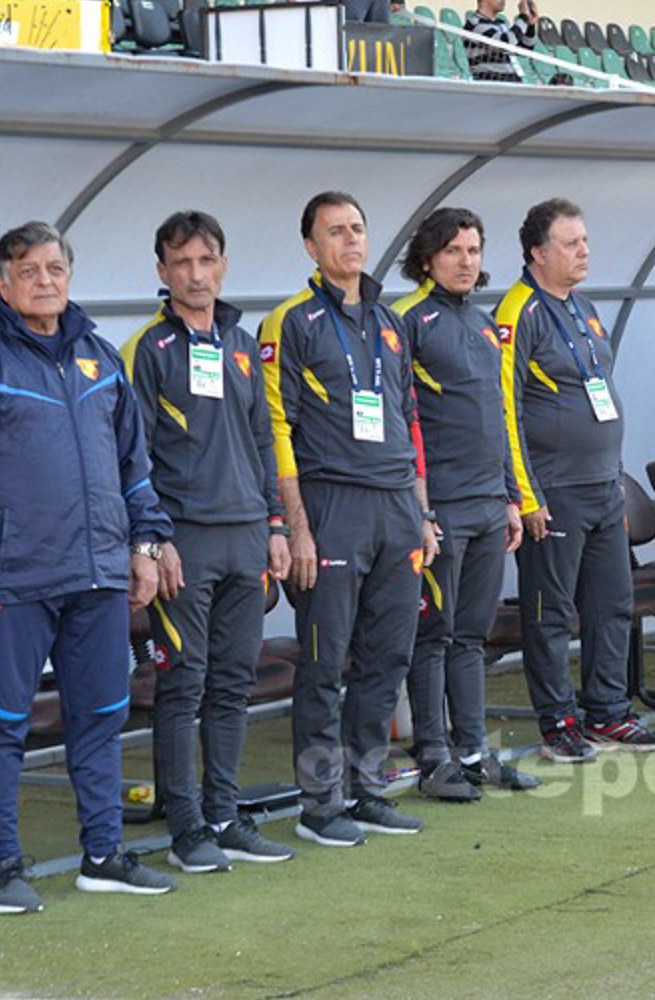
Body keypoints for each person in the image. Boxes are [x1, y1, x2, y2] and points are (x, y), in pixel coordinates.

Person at [0, 221, 176, 914]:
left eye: (54, 268)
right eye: (27, 270)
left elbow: (134, 467)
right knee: (3, 720)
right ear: (1, 284)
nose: (43, 281)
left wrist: (145, 547)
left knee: (103, 714)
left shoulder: (100, 358)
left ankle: (104, 855)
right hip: (13, 579)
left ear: (70, 276)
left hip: (98, 575)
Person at [260, 191, 439, 847]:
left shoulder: (389, 321)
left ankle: (367, 790)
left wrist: (421, 512)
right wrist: (296, 525)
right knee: (323, 661)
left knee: (387, 657)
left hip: (395, 507)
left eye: (357, 228)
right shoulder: (291, 321)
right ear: (311, 246)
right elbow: (276, 426)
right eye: (335, 231)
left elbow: (409, 419)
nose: (351, 240)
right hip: (331, 504)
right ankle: (319, 806)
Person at [122, 212, 296, 873]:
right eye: (182, 262)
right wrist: (152, 540)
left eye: (206, 260)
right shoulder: (146, 350)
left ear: (223, 266)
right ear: (162, 271)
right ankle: (187, 829)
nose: (196, 274)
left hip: (247, 538)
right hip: (184, 545)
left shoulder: (242, 344)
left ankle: (224, 815)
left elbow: (263, 440)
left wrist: (275, 526)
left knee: (232, 683)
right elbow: (130, 456)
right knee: (184, 684)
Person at [497, 198, 655, 760]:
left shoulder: (583, 306)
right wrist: (525, 495)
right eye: (571, 243)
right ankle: (558, 722)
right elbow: (505, 409)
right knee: (551, 613)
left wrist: (614, 477)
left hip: (602, 487)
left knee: (611, 605)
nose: (584, 251)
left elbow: (600, 393)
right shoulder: (518, 311)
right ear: (538, 252)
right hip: (555, 491)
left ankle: (608, 713)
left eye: (585, 241)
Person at [391, 208, 538, 799]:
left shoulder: (482, 323)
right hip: (441, 508)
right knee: (434, 634)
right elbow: (401, 420)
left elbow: (498, 416)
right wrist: (420, 511)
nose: (466, 260)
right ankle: (433, 757)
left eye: (473, 250)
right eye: (453, 250)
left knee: (472, 636)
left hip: (486, 505)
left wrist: (510, 497)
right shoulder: (406, 319)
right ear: (427, 257)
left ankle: (473, 750)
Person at [464, 0, 539, 83]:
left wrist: (530, 26)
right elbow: (505, 43)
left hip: (509, 82)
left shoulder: (501, 23)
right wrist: (524, 16)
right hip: (491, 84)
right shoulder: (475, 24)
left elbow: (524, 50)